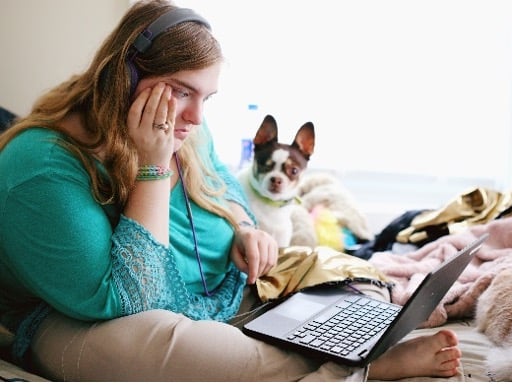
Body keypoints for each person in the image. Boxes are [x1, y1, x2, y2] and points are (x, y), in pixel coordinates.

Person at [0, 0, 462, 381]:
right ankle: (361, 361)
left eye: (208, 98)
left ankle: (349, 342)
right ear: (126, 78)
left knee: (349, 276)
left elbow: (227, 190)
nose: (197, 118)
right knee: (182, 353)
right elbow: (130, 298)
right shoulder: (40, 167)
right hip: (95, 320)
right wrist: (153, 166)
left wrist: (245, 228)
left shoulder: (186, 126)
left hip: (226, 290)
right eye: (182, 91)